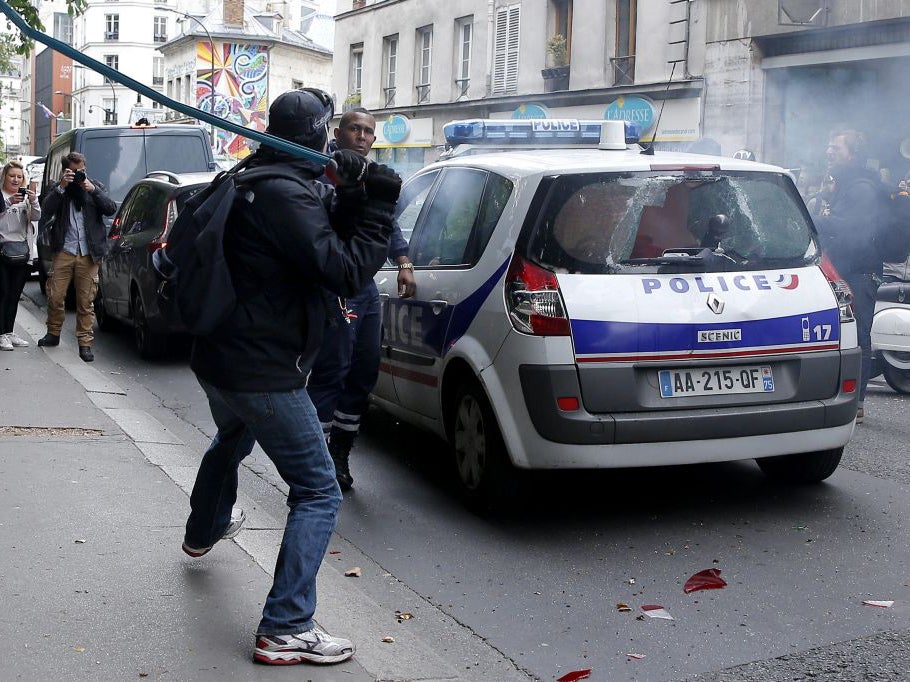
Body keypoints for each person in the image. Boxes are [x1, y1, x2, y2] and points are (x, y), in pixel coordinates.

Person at [182, 88, 401, 666]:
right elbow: (346, 269)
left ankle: (203, 529)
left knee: (232, 436)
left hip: (222, 359)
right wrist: (378, 202)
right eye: (330, 133)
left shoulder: (258, 177)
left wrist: (349, 192)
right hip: (262, 369)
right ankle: (286, 626)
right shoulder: (284, 193)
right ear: (316, 135)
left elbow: (318, 243)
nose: (337, 141)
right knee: (319, 490)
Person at [307, 108, 415, 491]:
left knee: (364, 371)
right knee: (332, 371)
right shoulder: (325, 171)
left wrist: (404, 262)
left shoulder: (374, 176)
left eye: (369, 131)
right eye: (355, 129)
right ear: (339, 133)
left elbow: (387, 225)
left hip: (365, 289)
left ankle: (339, 456)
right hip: (336, 286)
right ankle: (314, 462)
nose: (363, 136)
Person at [813, 130, 882, 423]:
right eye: (828, 145)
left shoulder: (862, 188)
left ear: (852, 154)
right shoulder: (841, 185)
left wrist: (819, 219)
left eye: (835, 147)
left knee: (859, 335)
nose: (829, 151)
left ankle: (858, 403)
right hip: (841, 269)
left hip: (859, 273)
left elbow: (855, 229)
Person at [37, 152, 117, 362]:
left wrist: (93, 190)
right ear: (66, 171)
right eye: (73, 171)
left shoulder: (94, 186)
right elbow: (46, 209)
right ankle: (53, 333)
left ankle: (85, 343)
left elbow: (110, 208)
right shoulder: (59, 189)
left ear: (85, 167)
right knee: (55, 296)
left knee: (85, 301)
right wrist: (62, 187)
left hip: (89, 252)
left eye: (81, 170)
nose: (78, 175)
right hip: (65, 249)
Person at [0, 160, 41, 351]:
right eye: (12, 176)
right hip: (2, 250)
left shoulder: (26, 198)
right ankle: (2, 334)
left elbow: (36, 217)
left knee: (15, 295)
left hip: (21, 251)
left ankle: (9, 332)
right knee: (3, 293)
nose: (16, 179)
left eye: (19, 176)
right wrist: (8, 203)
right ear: (4, 177)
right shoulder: (1, 196)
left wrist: (33, 201)